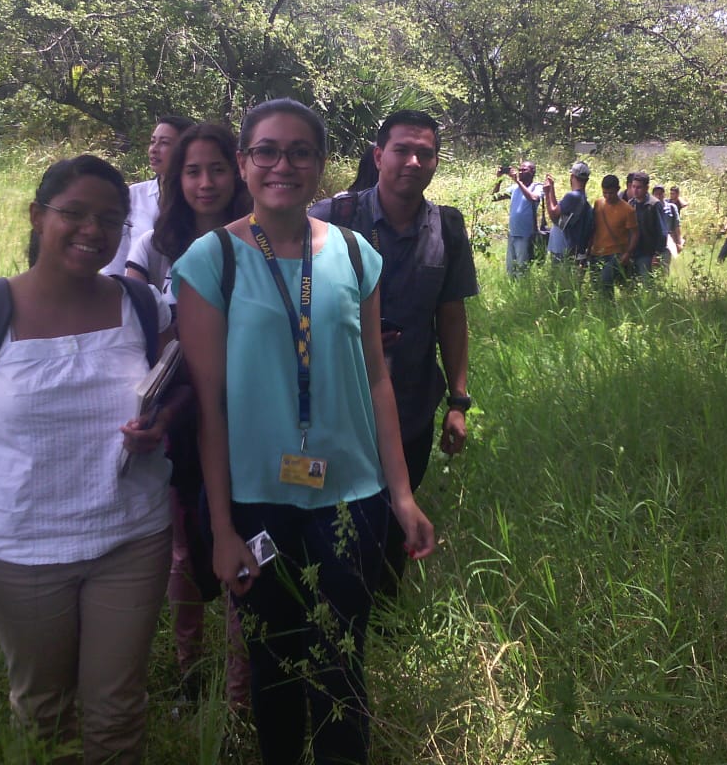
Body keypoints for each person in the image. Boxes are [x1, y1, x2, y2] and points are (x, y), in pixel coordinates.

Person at [172, 98, 435, 765]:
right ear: (244, 163)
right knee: (274, 664)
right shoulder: (213, 261)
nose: (282, 164)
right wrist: (223, 528)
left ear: (320, 165)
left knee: (343, 661)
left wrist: (402, 495)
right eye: (266, 150)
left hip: (352, 496)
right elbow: (210, 405)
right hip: (257, 500)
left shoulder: (354, 253)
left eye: (299, 152)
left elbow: (377, 378)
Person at [0, 155, 177, 765]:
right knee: (43, 712)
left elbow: (181, 392)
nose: (92, 230)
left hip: (131, 537)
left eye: (111, 220)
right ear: (37, 216)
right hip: (20, 549)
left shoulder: (143, 306)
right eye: (74, 213)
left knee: (118, 710)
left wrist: (162, 422)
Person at [309, 109, 477, 597]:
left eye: (425, 152)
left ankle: (380, 619)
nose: (413, 160)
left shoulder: (446, 227)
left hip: (411, 404)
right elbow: (287, 309)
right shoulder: (332, 218)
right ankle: (330, 608)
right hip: (334, 406)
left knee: (394, 516)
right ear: (379, 155)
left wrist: (459, 402)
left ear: (436, 162)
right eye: (402, 149)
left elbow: (451, 315)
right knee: (333, 516)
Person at [124, 121, 251, 702]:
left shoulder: (259, 240)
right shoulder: (156, 245)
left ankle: (240, 686)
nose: (206, 182)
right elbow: (137, 319)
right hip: (178, 416)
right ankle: (188, 670)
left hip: (249, 416)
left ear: (238, 171)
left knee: (244, 540)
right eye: (192, 171)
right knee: (184, 549)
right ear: (176, 178)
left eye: (217, 169)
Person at [102, 114, 196, 275]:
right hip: (132, 292)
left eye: (164, 143)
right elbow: (116, 258)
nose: (154, 149)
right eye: (153, 142)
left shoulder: (198, 199)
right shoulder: (134, 195)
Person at [491, 160, 543, 276]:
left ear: (532, 172)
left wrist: (518, 181)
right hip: (512, 234)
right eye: (519, 170)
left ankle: (523, 291)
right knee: (510, 270)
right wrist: (499, 179)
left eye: (524, 170)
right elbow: (494, 197)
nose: (520, 172)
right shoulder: (514, 188)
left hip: (525, 235)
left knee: (522, 271)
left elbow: (533, 198)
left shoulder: (537, 187)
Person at [590, 174, 637, 292]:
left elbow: (635, 233)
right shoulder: (598, 204)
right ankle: (603, 308)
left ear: (617, 189)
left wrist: (628, 253)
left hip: (615, 254)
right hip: (596, 252)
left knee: (605, 282)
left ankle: (609, 306)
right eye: (605, 193)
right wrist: (588, 248)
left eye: (611, 193)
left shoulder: (627, 210)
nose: (608, 196)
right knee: (595, 285)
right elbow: (593, 227)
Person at [543, 161, 592, 263]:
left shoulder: (572, 196)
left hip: (563, 248)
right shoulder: (582, 197)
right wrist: (552, 188)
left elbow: (554, 215)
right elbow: (558, 210)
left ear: (572, 177)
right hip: (571, 248)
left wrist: (547, 193)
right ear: (586, 180)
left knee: (558, 277)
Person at [621, 170, 666, 281]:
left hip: (647, 253)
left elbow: (662, 232)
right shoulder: (631, 203)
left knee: (646, 286)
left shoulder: (653, 205)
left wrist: (657, 254)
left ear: (646, 188)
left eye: (639, 187)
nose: (635, 190)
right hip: (632, 252)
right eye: (633, 187)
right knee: (631, 285)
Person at [652, 184, 682, 266]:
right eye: (656, 194)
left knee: (665, 265)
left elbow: (677, 225)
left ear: (664, 194)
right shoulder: (650, 208)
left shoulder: (671, 207)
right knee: (653, 266)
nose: (658, 196)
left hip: (668, 240)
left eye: (660, 193)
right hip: (653, 241)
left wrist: (679, 242)